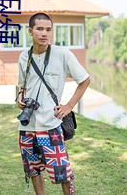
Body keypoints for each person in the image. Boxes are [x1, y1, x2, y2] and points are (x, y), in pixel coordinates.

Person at [16, 13, 90, 195]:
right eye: (40, 29)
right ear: (30, 31)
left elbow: (85, 80)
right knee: (33, 169)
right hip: (27, 126)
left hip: (51, 125)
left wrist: (69, 106)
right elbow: (21, 85)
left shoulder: (62, 54)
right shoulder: (24, 57)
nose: (44, 34)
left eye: (48, 29)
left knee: (63, 172)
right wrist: (19, 97)